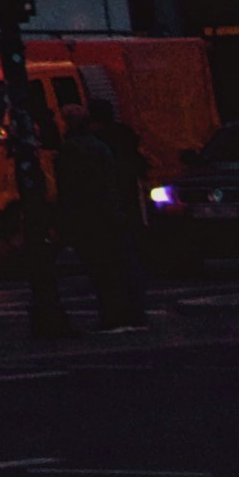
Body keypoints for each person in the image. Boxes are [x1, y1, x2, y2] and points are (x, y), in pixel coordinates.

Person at [57, 82, 150, 329]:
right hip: (121, 210)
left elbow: (71, 188)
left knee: (103, 269)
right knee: (126, 266)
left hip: (94, 214)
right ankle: (133, 313)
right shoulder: (119, 142)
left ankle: (113, 314)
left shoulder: (78, 148)